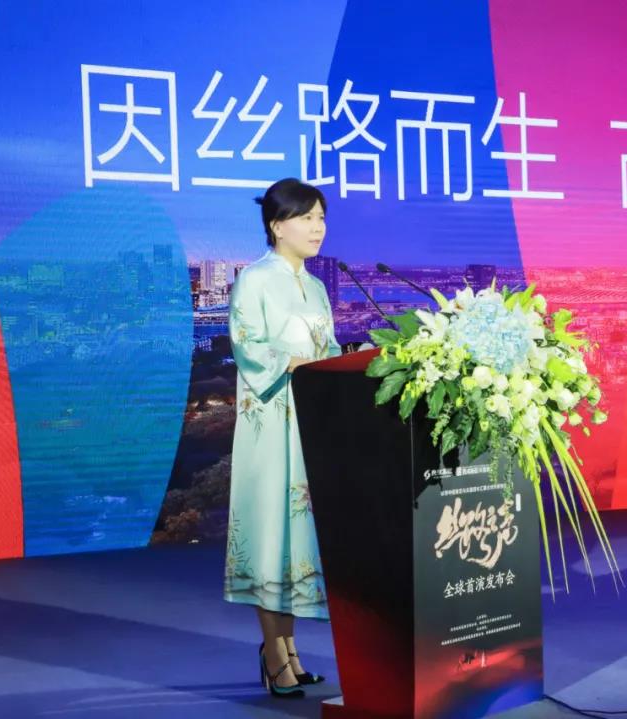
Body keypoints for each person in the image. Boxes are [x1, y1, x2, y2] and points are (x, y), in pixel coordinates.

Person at [224, 178, 341, 698]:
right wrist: (292, 362)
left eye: (321, 217)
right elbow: (247, 345)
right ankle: (274, 653)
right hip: (271, 423)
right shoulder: (254, 279)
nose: (318, 227)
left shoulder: (315, 286)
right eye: (307, 217)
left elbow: (329, 348)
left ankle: (290, 650)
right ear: (277, 225)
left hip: (310, 422)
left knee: (297, 540)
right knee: (272, 534)